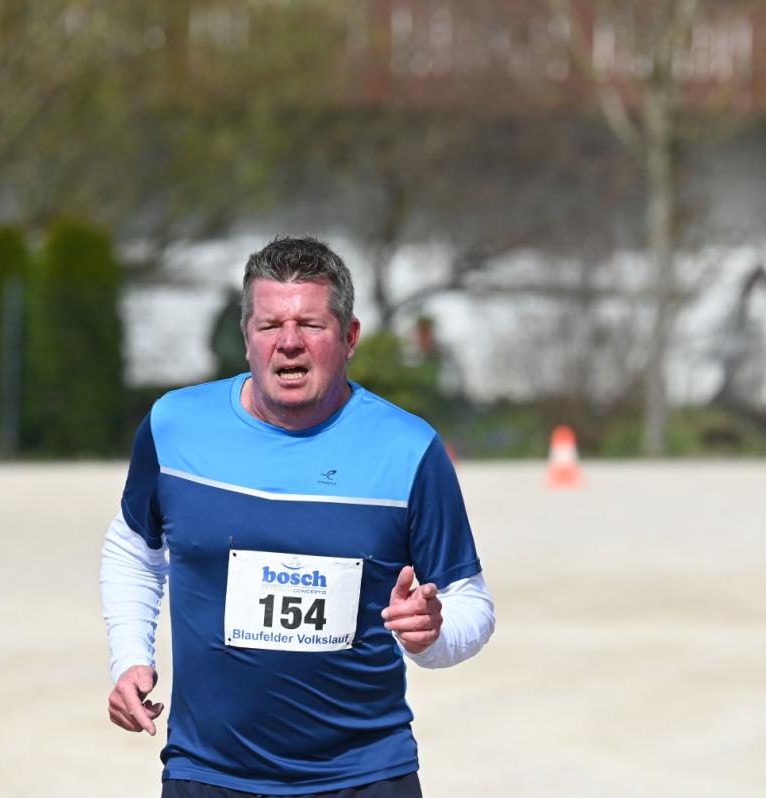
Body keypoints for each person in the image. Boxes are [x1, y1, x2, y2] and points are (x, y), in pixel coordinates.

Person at [101, 236, 495, 797]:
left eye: (311, 325)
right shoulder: (174, 427)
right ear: (246, 336)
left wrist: (431, 634)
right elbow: (132, 551)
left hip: (364, 776)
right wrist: (130, 657)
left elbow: (471, 603)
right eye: (269, 325)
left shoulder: (408, 449)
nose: (289, 343)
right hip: (207, 773)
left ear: (349, 337)